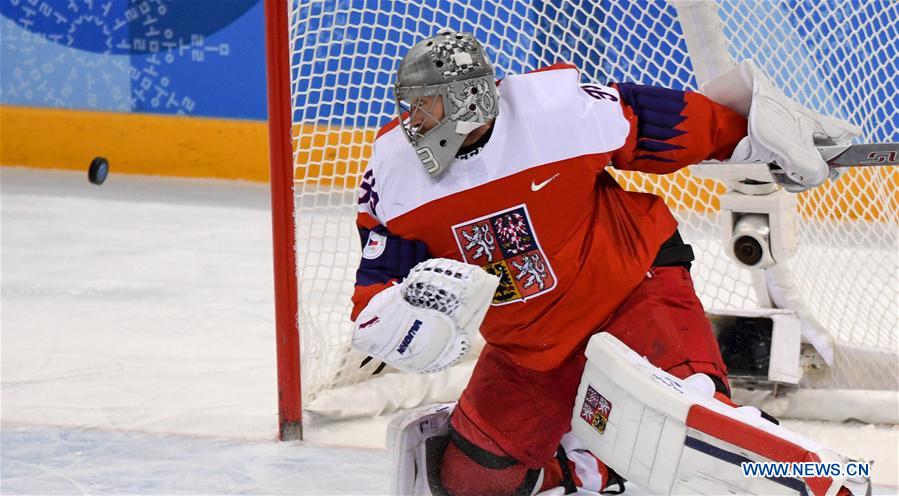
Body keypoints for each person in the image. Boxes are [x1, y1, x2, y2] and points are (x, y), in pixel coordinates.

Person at [349, 29, 865, 495]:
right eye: (410, 105)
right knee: (471, 481)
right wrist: (407, 327)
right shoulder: (394, 171)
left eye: (428, 105)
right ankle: (590, 465)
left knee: (690, 424)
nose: (413, 121)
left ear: (470, 101)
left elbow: (658, 121)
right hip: (529, 343)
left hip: (631, 289)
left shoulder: (553, 112)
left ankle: (825, 480)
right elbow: (374, 294)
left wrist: (751, 132)